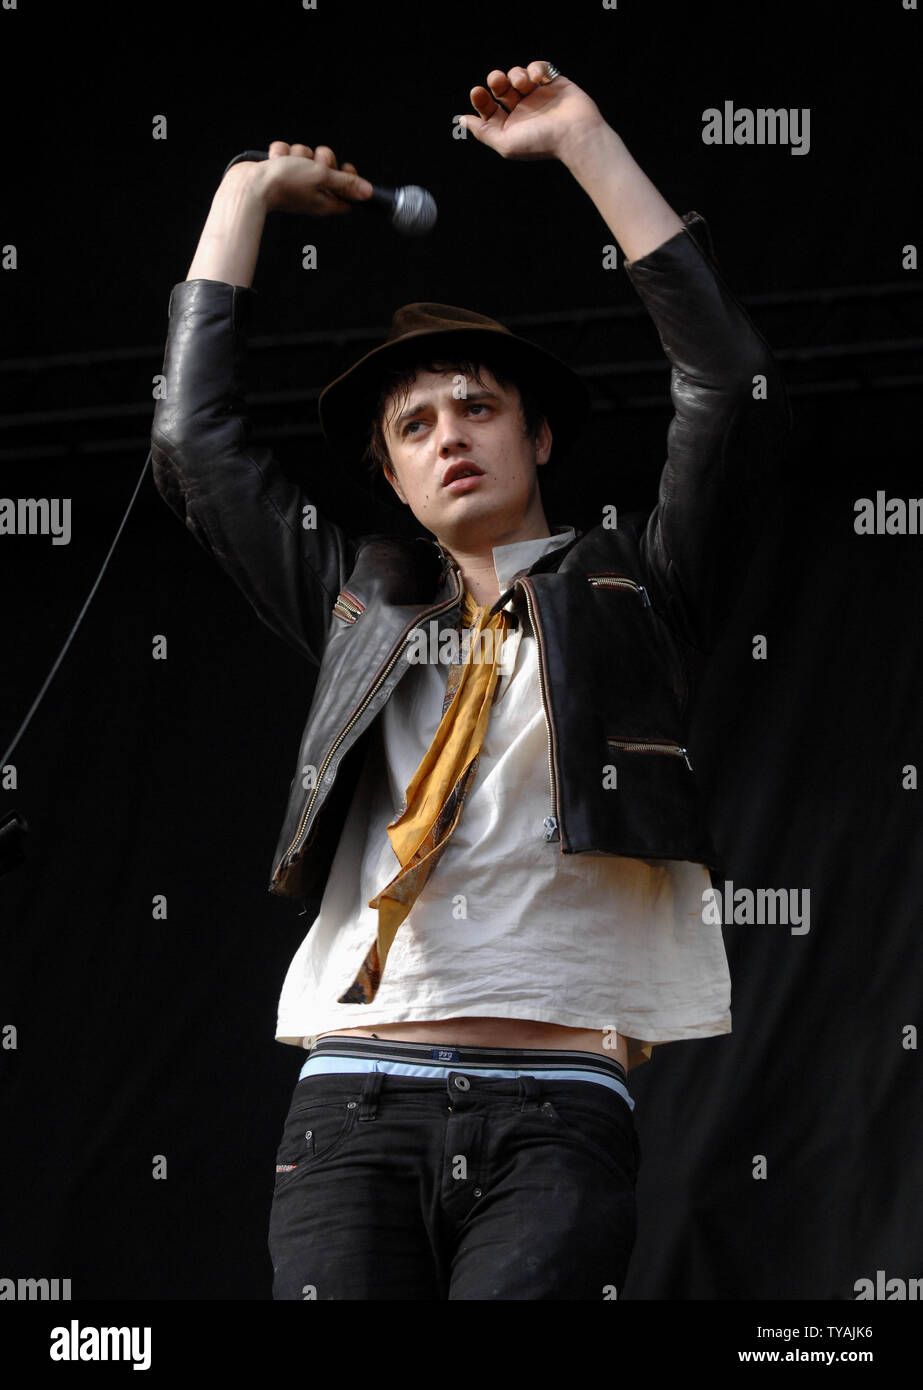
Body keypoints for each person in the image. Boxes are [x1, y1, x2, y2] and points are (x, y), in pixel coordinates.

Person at [150, 59, 789, 1300]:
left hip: (556, 1108)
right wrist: (243, 197)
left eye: (476, 407)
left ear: (536, 433)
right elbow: (193, 440)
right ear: (390, 477)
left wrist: (586, 142)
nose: (449, 434)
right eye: (414, 426)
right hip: (351, 1099)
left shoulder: (633, 588)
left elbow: (726, 387)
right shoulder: (360, 603)